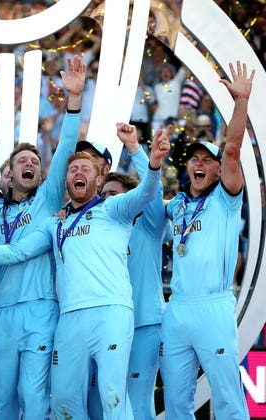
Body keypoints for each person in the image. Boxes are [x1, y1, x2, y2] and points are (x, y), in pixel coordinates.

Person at [0, 124, 171, 419]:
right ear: (65, 180)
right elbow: (17, 251)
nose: (78, 173)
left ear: (99, 180)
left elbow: (147, 191)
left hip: (110, 312)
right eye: (72, 170)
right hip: (69, 319)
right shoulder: (55, 223)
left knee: (113, 399)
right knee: (63, 403)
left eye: (86, 169)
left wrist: (145, 155)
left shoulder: (114, 209)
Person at [0, 55, 84, 420]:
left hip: (40, 308)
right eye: (22, 161)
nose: (31, 163)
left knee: (34, 394)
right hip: (0, 313)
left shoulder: (45, 201)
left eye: (35, 161)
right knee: (1, 401)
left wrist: (73, 102)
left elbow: (65, 150)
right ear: (7, 175)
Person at [160, 61, 254, 419]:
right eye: (193, 159)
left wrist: (240, 102)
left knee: (228, 399)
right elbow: (144, 203)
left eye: (206, 160)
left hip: (213, 307)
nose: (199, 163)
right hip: (178, 307)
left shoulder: (225, 200)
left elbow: (232, 150)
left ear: (217, 170)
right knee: (175, 404)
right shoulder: (179, 204)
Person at [102, 123, 169, 419]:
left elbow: (153, 192)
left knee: (138, 401)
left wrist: (135, 150)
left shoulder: (150, 224)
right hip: (109, 326)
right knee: (112, 402)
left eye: (115, 194)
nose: (109, 201)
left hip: (144, 325)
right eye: (104, 195)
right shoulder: (98, 233)